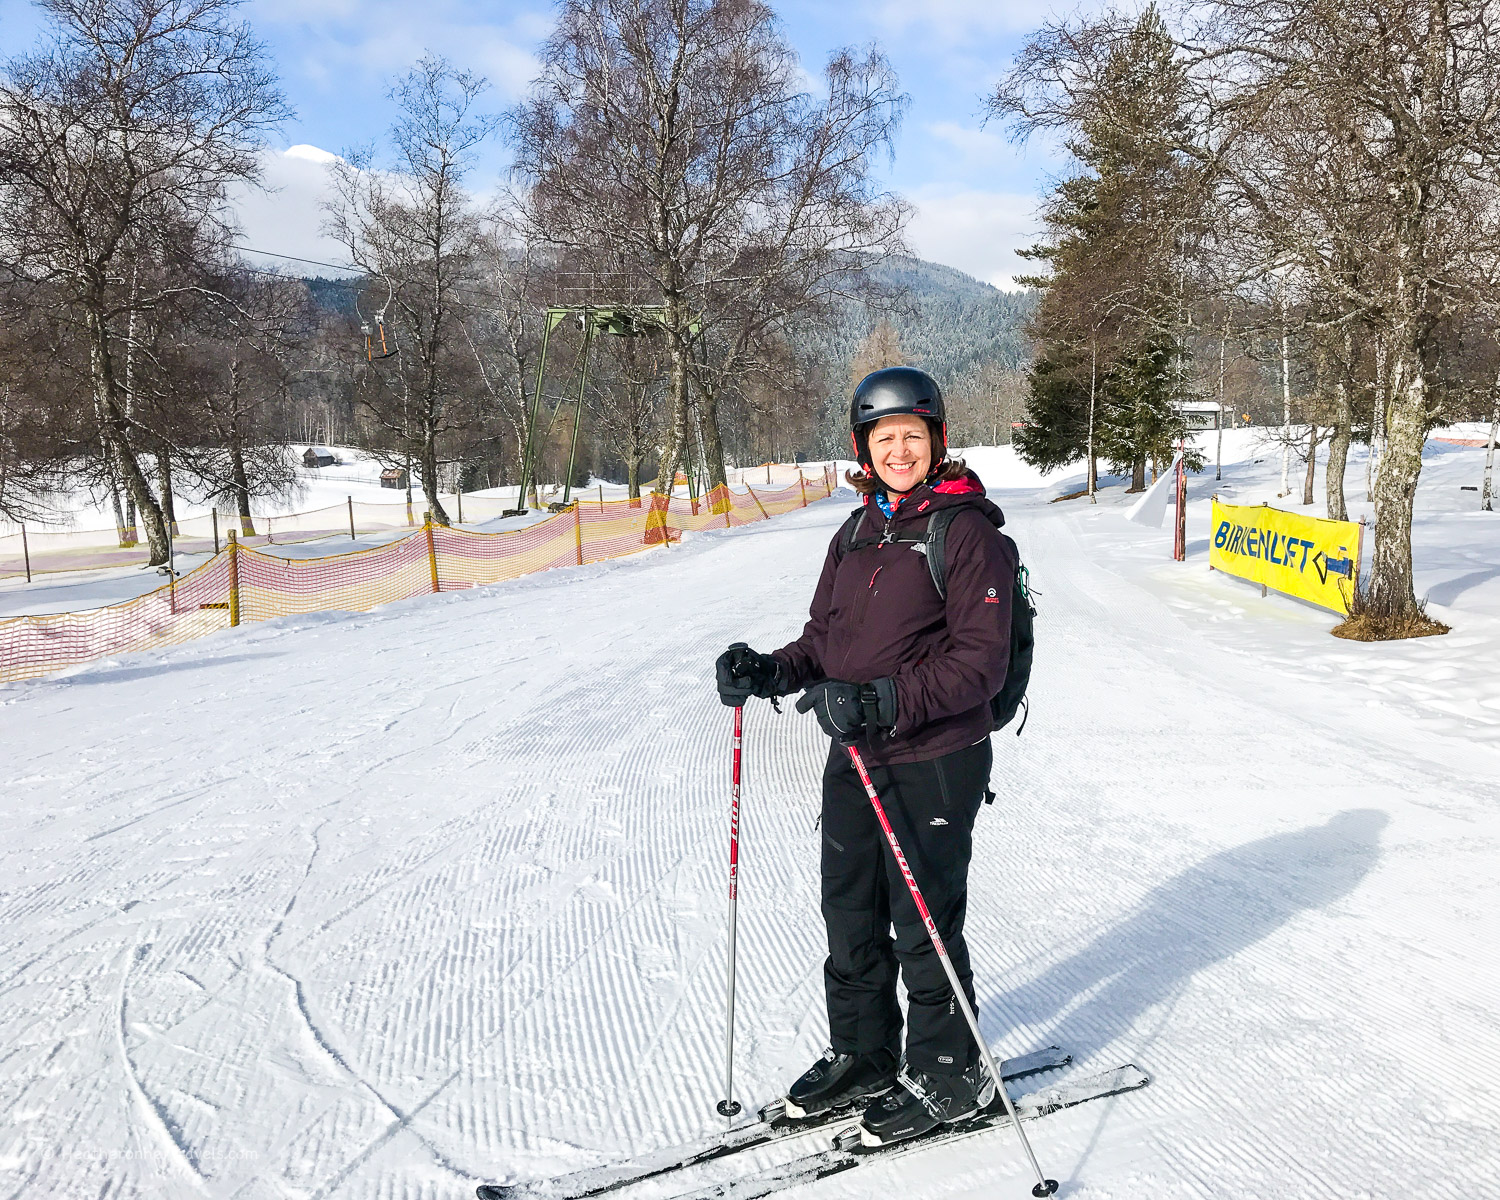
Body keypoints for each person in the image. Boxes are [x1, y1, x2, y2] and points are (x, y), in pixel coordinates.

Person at [715, 366, 1017, 1147]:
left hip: (936, 752)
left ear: (938, 439)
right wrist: (772, 671)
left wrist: (880, 699)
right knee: (850, 911)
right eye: (885, 439)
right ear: (864, 449)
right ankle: (866, 1051)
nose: (900, 450)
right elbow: (826, 641)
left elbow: (979, 664)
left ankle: (954, 1074)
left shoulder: (967, 532)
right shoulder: (855, 532)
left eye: (914, 435)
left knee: (923, 921)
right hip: (856, 753)